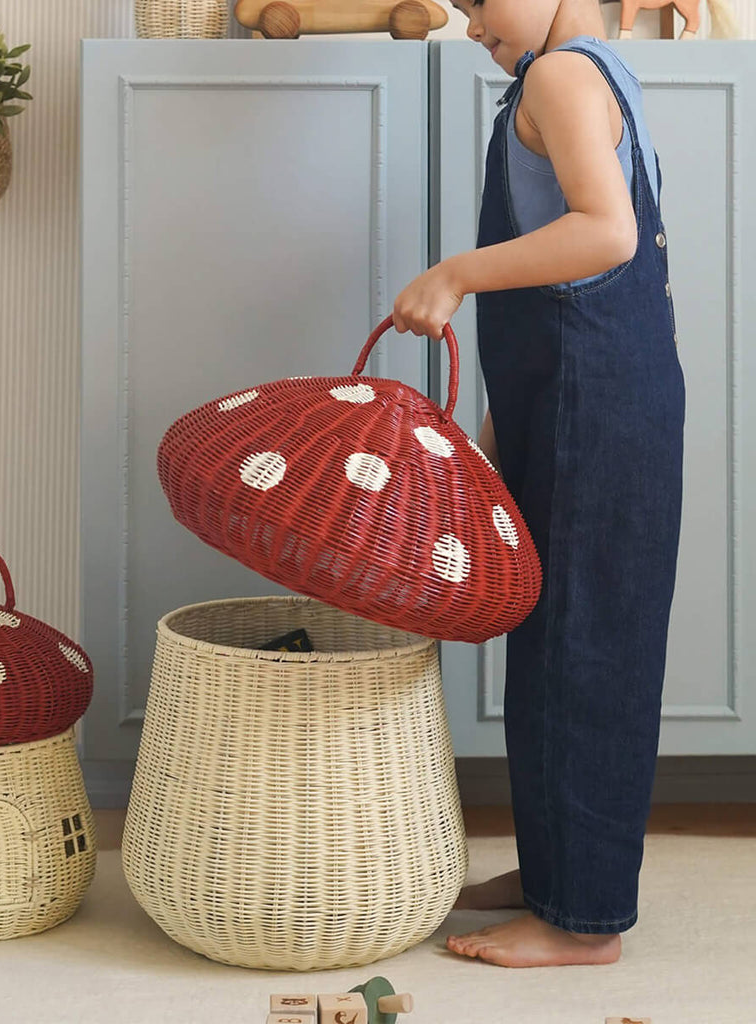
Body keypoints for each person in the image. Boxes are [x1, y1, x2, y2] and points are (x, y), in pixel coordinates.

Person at [392, 0, 686, 967]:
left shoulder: (561, 76)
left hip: (592, 406)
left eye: (481, 2)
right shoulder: (589, 72)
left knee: (581, 651)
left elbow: (605, 235)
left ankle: (580, 921)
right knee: (562, 645)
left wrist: (457, 273)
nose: (468, 21)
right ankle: (560, 870)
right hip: (583, 398)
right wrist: (497, 430)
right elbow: (566, 295)